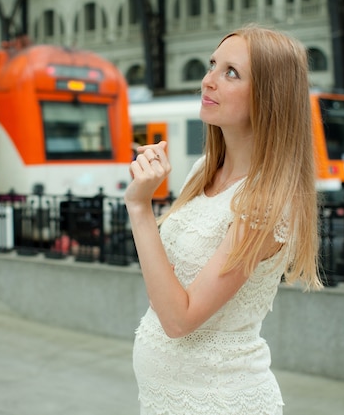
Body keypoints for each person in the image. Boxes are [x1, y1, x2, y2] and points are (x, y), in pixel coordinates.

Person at [123, 23, 324, 415]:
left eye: (230, 73)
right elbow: (165, 285)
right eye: (213, 65)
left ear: (269, 97)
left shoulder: (266, 203)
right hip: (165, 400)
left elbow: (179, 320)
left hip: (219, 402)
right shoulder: (203, 171)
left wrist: (139, 208)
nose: (208, 80)